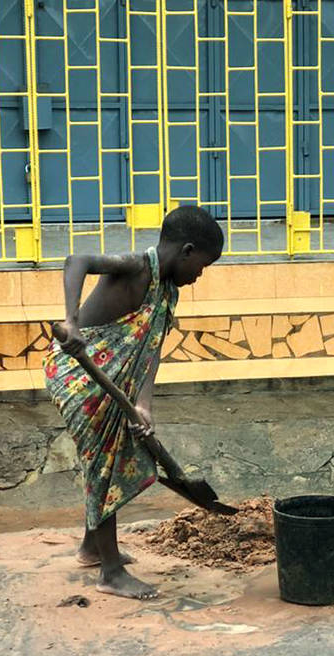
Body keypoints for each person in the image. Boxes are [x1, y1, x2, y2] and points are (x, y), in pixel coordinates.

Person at [44, 206, 224, 599]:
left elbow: (150, 351)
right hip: (77, 374)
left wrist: (144, 406)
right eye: (203, 266)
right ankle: (110, 573)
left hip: (116, 382)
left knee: (119, 451)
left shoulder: (166, 291)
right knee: (104, 463)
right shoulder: (137, 267)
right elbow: (77, 260)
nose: (200, 275)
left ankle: (92, 547)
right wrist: (71, 322)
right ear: (187, 251)